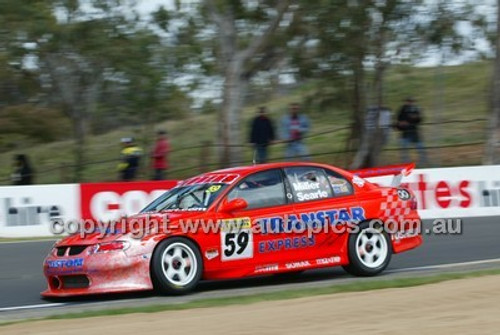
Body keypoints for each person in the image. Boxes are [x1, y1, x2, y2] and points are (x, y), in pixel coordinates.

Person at [396, 97, 428, 166]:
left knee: (420, 147)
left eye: (411, 101)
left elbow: (419, 119)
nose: (409, 103)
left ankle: (423, 162)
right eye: (408, 101)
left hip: (414, 131)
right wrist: (402, 122)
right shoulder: (402, 109)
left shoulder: (416, 108)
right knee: (404, 149)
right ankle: (405, 163)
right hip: (405, 132)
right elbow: (399, 119)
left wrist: (414, 117)